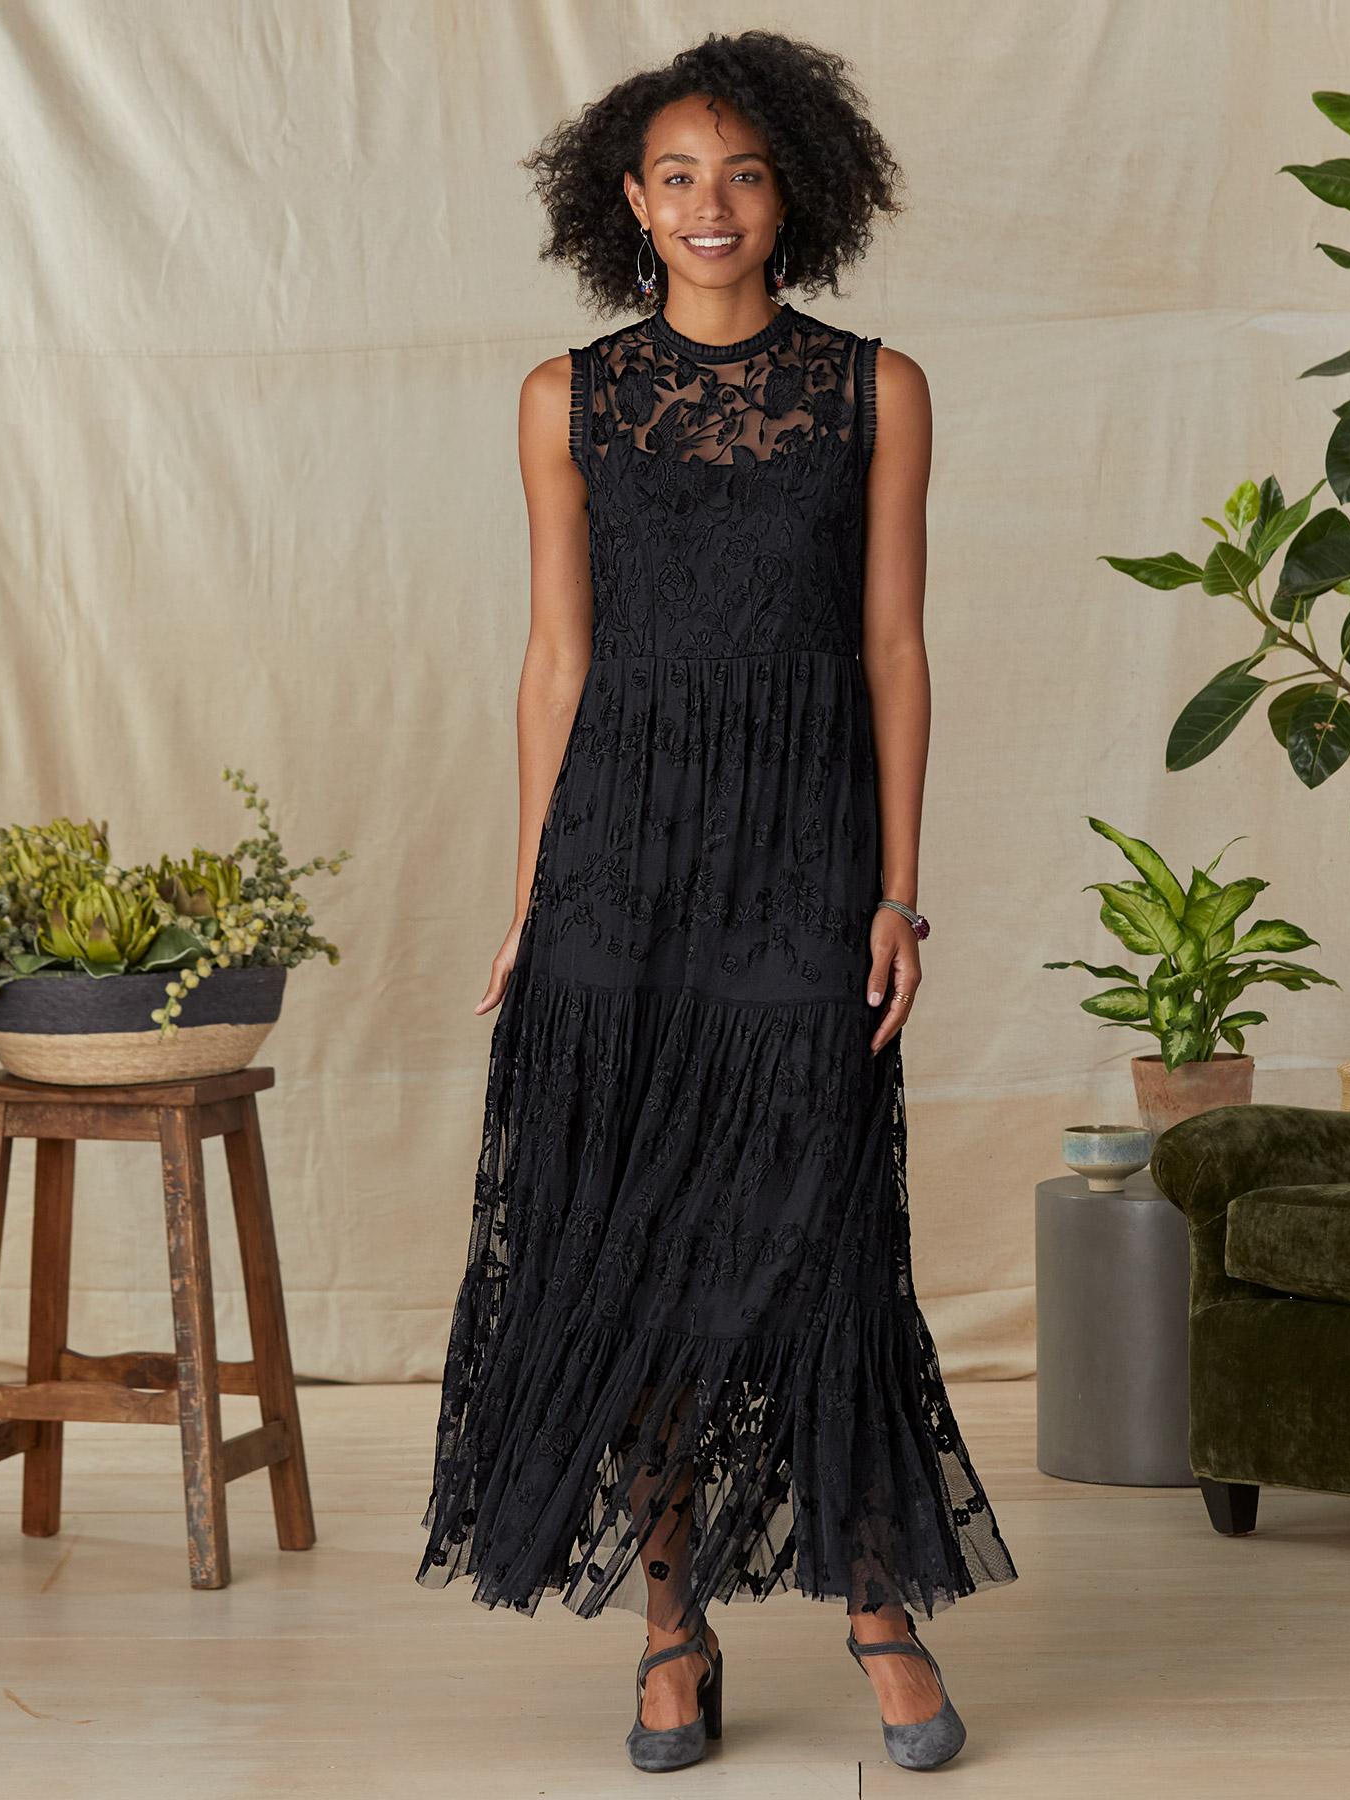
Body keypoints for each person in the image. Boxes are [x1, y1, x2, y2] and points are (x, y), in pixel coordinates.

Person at [416, 28, 1018, 1773]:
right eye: (678, 176)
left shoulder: (876, 390)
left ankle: (878, 1609)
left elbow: (895, 649)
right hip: (619, 868)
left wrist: (900, 894)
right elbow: (554, 663)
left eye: (743, 174)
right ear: (628, 198)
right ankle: (669, 1631)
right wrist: (531, 903)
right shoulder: (565, 399)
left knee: (824, 1247)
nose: (711, 205)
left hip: (803, 858)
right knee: (636, 1256)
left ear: (793, 193)